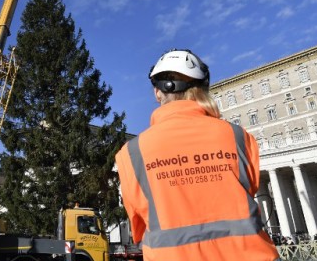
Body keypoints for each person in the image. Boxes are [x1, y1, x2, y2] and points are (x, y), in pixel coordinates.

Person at [115, 49, 279, 261]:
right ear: (203, 87)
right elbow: (251, 188)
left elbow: (137, 226)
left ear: (158, 92)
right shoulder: (239, 137)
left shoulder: (131, 153)